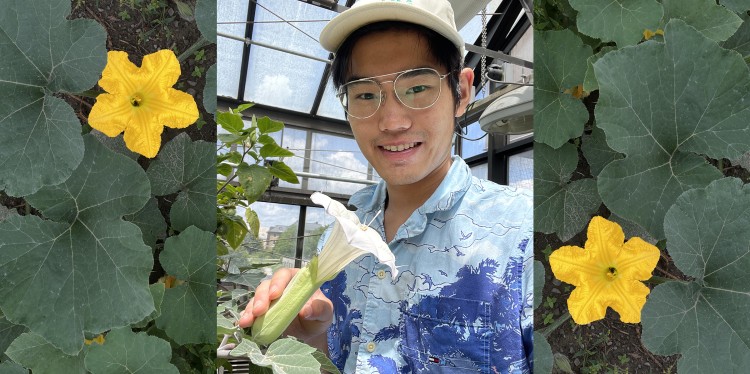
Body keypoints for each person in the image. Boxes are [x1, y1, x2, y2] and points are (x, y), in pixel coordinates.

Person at [239, 0, 533, 372]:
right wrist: (310, 338)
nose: (392, 122)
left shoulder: (523, 235)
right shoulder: (339, 230)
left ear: (461, 91)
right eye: (364, 94)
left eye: (417, 88)